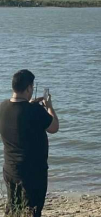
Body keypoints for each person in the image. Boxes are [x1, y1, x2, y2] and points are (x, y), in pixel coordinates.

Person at [0, 69, 59, 217]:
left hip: (10, 169)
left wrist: (30, 104)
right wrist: (49, 106)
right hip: (33, 174)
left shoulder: (2, 108)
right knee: (32, 211)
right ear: (28, 88)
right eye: (31, 87)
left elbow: (18, 119)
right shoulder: (36, 111)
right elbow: (54, 127)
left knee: (14, 209)